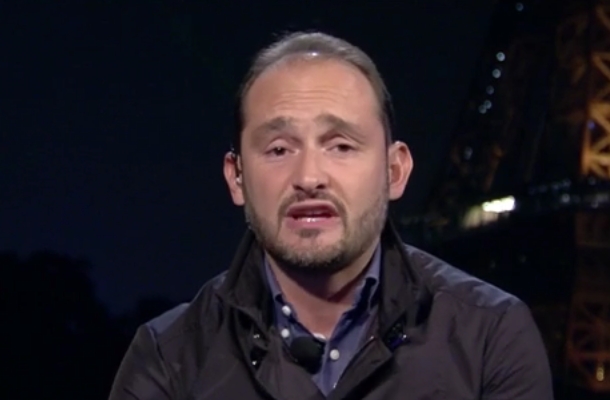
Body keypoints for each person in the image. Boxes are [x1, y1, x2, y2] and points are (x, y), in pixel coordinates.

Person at [108, 31, 553, 400]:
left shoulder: (491, 336)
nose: (309, 177)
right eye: (278, 149)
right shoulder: (168, 358)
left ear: (394, 171)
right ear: (236, 177)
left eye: (341, 145)